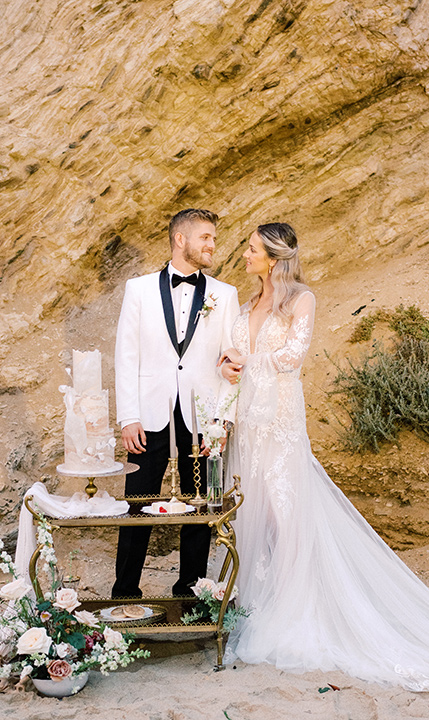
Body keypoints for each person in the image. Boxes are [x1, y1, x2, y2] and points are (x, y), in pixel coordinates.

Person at [219, 222, 429, 691]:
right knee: (253, 514)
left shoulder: (302, 299)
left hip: (280, 421)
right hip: (249, 425)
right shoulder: (244, 305)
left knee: (286, 512)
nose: (244, 254)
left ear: (274, 257)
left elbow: (293, 357)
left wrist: (245, 360)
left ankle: (296, 608)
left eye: (252, 248)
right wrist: (227, 364)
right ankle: (256, 604)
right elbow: (233, 356)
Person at [113, 208, 239, 598]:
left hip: (202, 417)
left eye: (214, 238)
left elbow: (231, 363)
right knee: (138, 502)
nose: (212, 245)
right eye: (206, 237)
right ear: (180, 240)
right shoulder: (139, 289)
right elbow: (126, 356)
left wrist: (222, 423)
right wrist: (128, 416)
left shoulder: (225, 294)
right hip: (148, 412)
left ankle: (190, 591)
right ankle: (125, 593)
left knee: (199, 505)